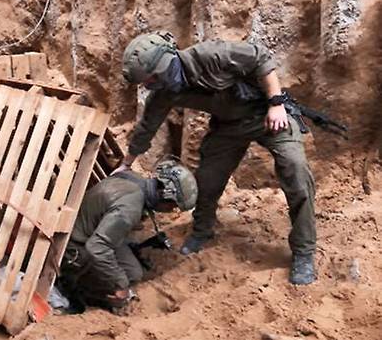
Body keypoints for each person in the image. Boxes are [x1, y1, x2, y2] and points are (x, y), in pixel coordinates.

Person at [117, 31, 317, 285]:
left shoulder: (212, 55)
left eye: (154, 78)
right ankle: (203, 231)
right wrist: (126, 163)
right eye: (147, 83)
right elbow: (146, 129)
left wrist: (276, 103)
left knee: (297, 173)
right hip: (228, 127)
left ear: (168, 62)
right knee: (207, 182)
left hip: (268, 116)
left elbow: (262, 58)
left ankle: (304, 252)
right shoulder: (164, 91)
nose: (152, 85)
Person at [60, 160, 197, 311]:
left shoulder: (133, 178)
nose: (170, 211)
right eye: (172, 206)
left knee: (133, 272)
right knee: (119, 283)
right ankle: (77, 294)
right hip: (73, 245)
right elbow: (97, 248)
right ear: (165, 195)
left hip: (92, 230)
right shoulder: (130, 209)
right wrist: (120, 285)